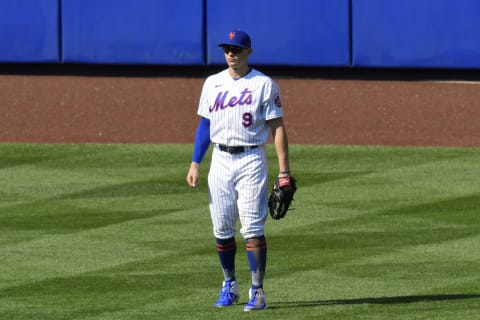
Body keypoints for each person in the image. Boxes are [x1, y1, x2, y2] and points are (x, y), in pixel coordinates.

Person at [186, 29, 291, 312]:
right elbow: (205, 125)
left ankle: (257, 292)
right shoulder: (212, 83)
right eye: (227, 49)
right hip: (219, 160)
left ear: (249, 52)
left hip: (251, 160)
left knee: (252, 229)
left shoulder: (264, 85)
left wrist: (284, 171)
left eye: (237, 49)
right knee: (221, 229)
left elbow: (277, 127)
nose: (231, 54)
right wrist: (196, 161)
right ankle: (229, 284)